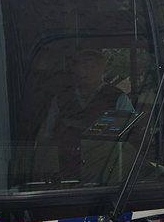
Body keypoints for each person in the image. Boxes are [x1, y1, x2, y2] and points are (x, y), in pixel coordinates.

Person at [35, 48, 135, 183]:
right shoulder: (61, 99)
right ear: (75, 69)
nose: (86, 71)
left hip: (104, 171)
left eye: (92, 66)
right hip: (65, 172)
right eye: (82, 66)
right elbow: (46, 136)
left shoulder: (118, 98)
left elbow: (129, 136)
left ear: (102, 69)